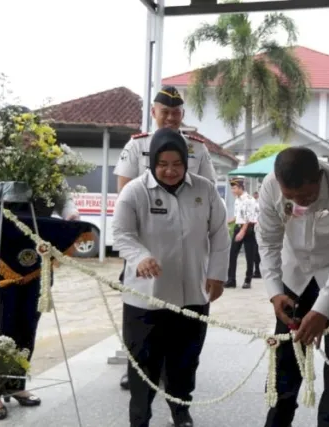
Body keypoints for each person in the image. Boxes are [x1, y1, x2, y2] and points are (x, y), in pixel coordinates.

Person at [0, 105, 80, 421]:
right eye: (16, 132)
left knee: (26, 321)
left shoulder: (45, 165)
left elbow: (65, 200)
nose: (24, 138)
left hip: (34, 260)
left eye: (28, 131)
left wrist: (71, 219)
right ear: (0, 134)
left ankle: (15, 383)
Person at [113, 127, 229, 427]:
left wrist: (217, 274)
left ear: (186, 162)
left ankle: (181, 412)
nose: (170, 170)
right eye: (163, 164)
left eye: (177, 164)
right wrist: (140, 257)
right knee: (143, 364)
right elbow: (121, 235)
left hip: (193, 294)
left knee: (185, 360)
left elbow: (219, 234)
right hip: (145, 298)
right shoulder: (135, 191)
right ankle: (139, 417)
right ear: (152, 162)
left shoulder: (204, 190)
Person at [256, 147, 329, 427]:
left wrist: (322, 309)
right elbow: (269, 243)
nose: (300, 202)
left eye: (307, 196)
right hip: (294, 279)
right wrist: (274, 292)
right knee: (285, 362)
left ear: (319, 177)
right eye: (291, 197)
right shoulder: (270, 186)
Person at [114, 85, 218, 391]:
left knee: (185, 312)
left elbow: (208, 193)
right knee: (141, 309)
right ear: (153, 113)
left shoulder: (198, 148)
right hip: (144, 239)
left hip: (186, 245)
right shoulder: (137, 145)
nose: (170, 118)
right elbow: (124, 192)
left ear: (182, 114)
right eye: (165, 112)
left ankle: (174, 375)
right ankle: (139, 367)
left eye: (176, 113)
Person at [225, 178, 257, 289]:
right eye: (232, 188)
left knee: (249, 256)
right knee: (232, 254)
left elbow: (248, 218)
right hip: (238, 228)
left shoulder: (249, 200)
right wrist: (226, 223)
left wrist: (243, 232)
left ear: (240, 187)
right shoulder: (237, 200)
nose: (232, 190)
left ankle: (247, 280)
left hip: (248, 230)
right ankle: (231, 280)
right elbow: (237, 217)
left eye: (234, 188)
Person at [252, 191, 262, 279]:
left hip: (260, 230)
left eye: (256, 194)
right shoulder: (253, 203)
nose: (255, 196)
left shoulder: (260, 204)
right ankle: (257, 271)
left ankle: (258, 271)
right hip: (255, 229)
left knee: (258, 252)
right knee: (255, 253)